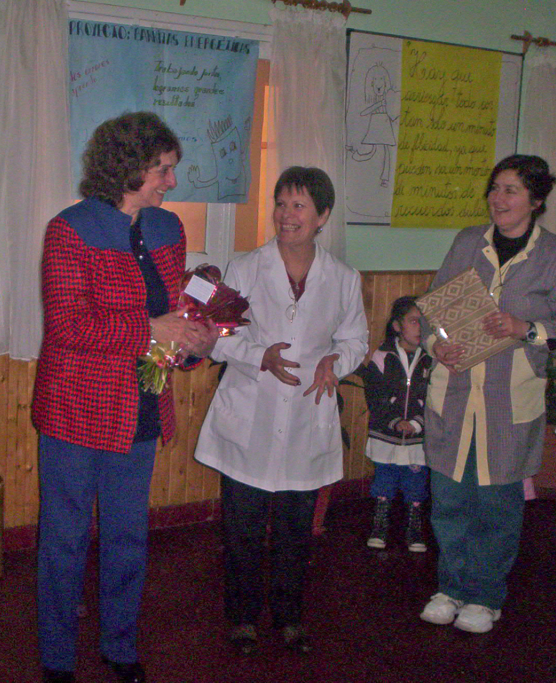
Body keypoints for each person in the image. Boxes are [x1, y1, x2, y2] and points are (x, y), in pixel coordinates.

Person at [31, 112, 219, 683]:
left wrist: (196, 340)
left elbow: (177, 311)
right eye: (163, 170)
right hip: (74, 410)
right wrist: (151, 330)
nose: (171, 181)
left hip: (140, 406)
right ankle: (58, 658)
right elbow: (68, 324)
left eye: (170, 170)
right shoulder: (69, 229)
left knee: (128, 538)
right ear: (129, 168)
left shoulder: (168, 229)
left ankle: (119, 645)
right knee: (63, 542)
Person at [194, 167, 368, 656]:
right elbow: (219, 338)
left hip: (306, 417)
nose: (286, 215)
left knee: (296, 531)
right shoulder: (245, 267)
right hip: (250, 409)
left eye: (299, 206)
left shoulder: (343, 277)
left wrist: (338, 359)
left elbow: (356, 338)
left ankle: (289, 616)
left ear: (322, 216)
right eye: (281, 203)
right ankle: (242, 617)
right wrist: (259, 356)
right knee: (243, 529)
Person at [419, 154, 556, 634]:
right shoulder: (466, 243)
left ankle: (485, 596)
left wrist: (527, 329)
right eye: (496, 188)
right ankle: (450, 587)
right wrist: (439, 345)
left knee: (497, 504)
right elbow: (434, 311)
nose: (499, 198)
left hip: (508, 403)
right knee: (449, 497)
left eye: (512, 190)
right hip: (454, 394)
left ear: (536, 200)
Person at [355, 296, 432, 552]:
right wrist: (395, 420)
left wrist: (417, 423)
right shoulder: (382, 356)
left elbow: (434, 397)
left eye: (424, 321)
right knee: (384, 479)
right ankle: (379, 524)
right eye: (413, 321)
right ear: (397, 326)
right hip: (385, 435)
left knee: (416, 482)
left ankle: (414, 526)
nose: (420, 327)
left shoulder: (431, 359)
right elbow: (374, 394)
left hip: (417, 439)